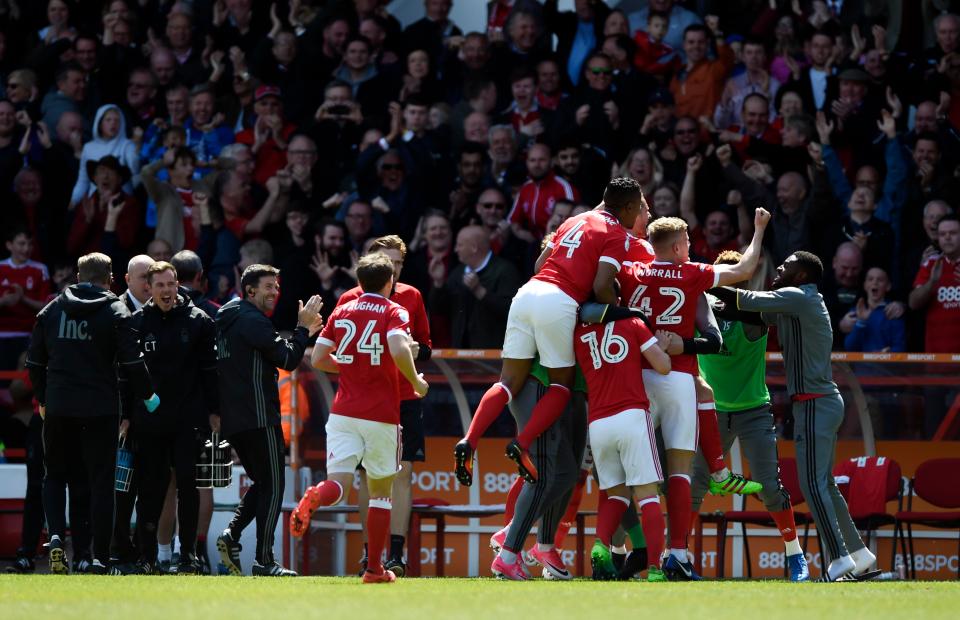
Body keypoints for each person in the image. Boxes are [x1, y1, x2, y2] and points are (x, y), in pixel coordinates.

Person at [454, 177, 643, 507]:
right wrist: (623, 311)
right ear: (628, 208)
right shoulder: (616, 234)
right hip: (559, 302)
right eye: (638, 208)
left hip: (526, 294)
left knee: (508, 381)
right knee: (562, 386)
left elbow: (540, 265)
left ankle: (469, 439)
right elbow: (601, 285)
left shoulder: (573, 220)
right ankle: (522, 442)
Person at [616, 209, 771, 580]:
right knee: (680, 474)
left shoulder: (631, 270)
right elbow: (745, 268)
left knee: (628, 474)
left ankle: (612, 549)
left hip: (637, 380)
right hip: (678, 380)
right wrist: (759, 229)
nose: (689, 247)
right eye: (686, 242)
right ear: (677, 246)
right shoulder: (691, 273)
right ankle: (677, 556)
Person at [711, 251, 879, 582]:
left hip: (816, 403)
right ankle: (860, 553)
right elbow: (747, 312)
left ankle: (839, 559)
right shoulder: (794, 303)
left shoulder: (796, 297)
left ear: (800, 276)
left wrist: (703, 280)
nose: (779, 269)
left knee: (812, 484)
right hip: (817, 402)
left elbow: (744, 298)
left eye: (786, 266)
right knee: (825, 484)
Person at [290, 252, 428, 585]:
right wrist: (415, 380)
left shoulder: (343, 309)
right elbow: (398, 346)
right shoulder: (394, 309)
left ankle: (315, 496)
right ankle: (375, 570)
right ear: (390, 281)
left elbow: (320, 357)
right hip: (381, 415)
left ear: (359, 282)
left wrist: (353, 364)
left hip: (342, 413)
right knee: (382, 492)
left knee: (338, 484)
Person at [25, 252, 156, 574]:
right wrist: (149, 395)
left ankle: (56, 537)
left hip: (58, 407)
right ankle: (96, 555)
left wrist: (44, 399)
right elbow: (132, 361)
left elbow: (34, 362)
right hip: (100, 409)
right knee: (100, 482)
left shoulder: (52, 310)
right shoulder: (115, 310)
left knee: (54, 476)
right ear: (110, 277)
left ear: (77, 276)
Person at [691, 251, 810, 582]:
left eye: (734, 277)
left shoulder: (756, 314)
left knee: (771, 487)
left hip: (753, 410)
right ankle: (679, 557)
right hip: (710, 411)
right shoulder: (699, 313)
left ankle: (795, 556)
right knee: (694, 486)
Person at [215, 265, 323, 577]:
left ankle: (231, 534)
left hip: (234, 420)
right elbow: (288, 359)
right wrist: (303, 330)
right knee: (274, 485)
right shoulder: (252, 320)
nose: (274, 292)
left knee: (263, 483)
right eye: (268, 287)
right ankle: (264, 560)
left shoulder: (226, 316)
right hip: (260, 417)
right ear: (249, 290)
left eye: (276, 287)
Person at [334, 236, 432, 577]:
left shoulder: (412, 297)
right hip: (368, 401)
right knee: (367, 478)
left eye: (398, 263)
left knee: (401, 474)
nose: (392, 270)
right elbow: (337, 351)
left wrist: (414, 351)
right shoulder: (350, 299)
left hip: (403, 397)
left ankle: (395, 555)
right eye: (386, 263)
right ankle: (370, 553)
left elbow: (427, 345)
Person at [129, 261, 218, 574]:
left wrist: (215, 413)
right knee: (150, 490)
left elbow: (211, 373)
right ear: (148, 289)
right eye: (159, 286)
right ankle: (147, 557)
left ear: (178, 284)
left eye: (171, 284)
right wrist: (127, 416)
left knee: (188, 486)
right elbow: (126, 375)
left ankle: (188, 555)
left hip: (188, 420)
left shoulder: (199, 322)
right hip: (149, 422)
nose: (166, 291)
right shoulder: (136, 322)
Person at [574, 313, 672, 582]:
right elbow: (663, 367)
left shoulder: (578, 333)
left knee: (615, 495)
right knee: (648, 496)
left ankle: (600, 545)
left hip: (598, 422)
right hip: (631, 415)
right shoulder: (632, 323)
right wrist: (661, 348)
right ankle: (654, 569)